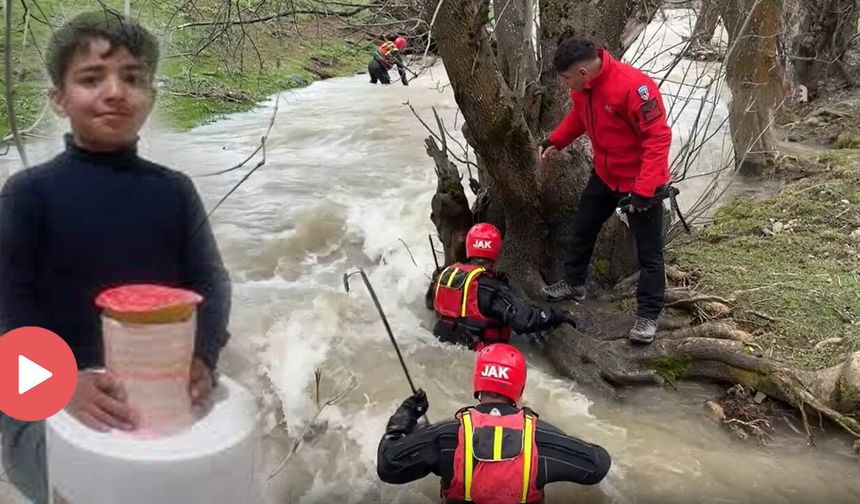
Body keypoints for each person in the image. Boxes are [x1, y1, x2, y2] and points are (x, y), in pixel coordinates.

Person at [0, 11, 232, 503]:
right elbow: (7, 308)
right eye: (90, 78)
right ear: (59, 99)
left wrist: (204, 358)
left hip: (159, 391)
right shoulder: (27, 195)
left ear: (151, 96)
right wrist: (61, 386)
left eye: (132, 78)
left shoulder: (174, 192)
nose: (114, 92)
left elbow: (211, 283)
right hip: (45, 395)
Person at [537, 38, 672, 344]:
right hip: (605, 175)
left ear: (584, 73)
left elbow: (658, 138)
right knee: (583, 227)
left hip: (641, 183)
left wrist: (646, 187)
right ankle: (574, 284)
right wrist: (555, 140)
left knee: (649, 254)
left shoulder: (635, 87)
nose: (565, 84)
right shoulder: (583, 90)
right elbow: (579, 119)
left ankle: (648, 317)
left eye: (567, 78)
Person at [377, 343, 611, 501]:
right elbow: (597, 465)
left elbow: (388, 465)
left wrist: (406, 415)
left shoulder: (447, 436)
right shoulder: (540, 440)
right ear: (519, 389)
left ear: (478, 384)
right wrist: (562, 437)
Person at [433, 223, 577, 350]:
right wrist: (556, 315)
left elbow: (432, 305)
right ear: (496, 249)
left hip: (443, 347)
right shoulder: (491, 287)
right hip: (482, 354)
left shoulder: (445, 276)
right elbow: (525, 321)